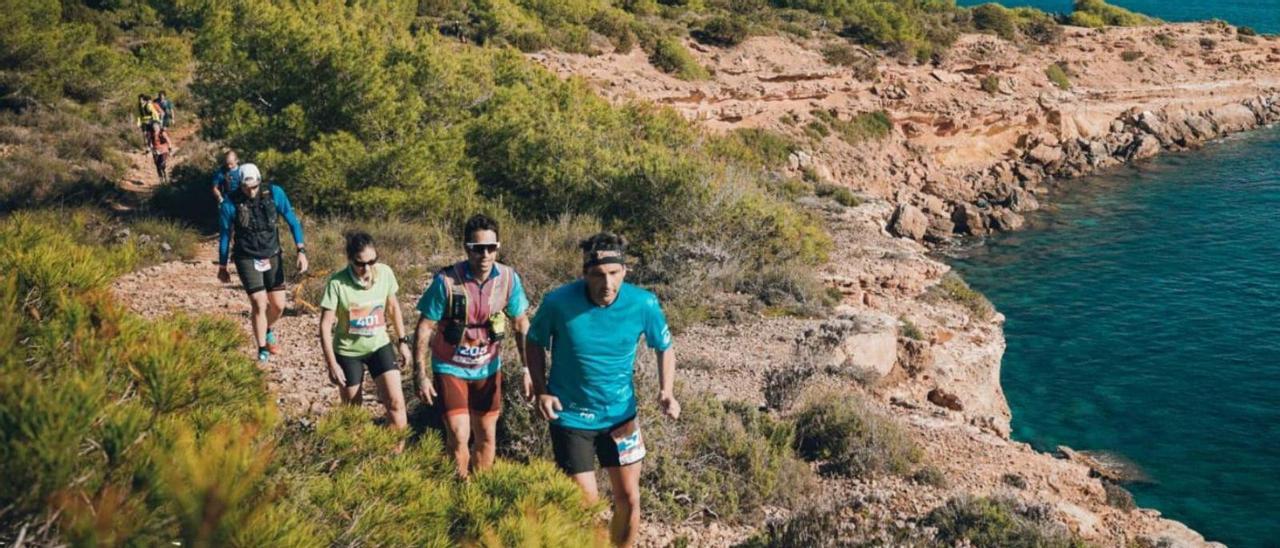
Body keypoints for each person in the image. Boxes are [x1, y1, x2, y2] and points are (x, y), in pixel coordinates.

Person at [526, 232, 679, 548]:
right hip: (571, 418)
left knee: (630, 500)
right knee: (587, 507)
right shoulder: (558, 303)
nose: (606, 283)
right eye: (597, 275)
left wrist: (667, 390)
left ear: (625, 271)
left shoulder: (644, 303)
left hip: (620, 416)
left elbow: (665, 346)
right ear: (584, 274)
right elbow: (534, 341)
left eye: (613, 274)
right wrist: (541, 390)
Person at [413, 214, 532, 479]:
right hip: (450, 366)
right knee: (457, 434)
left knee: (487, 434)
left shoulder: (509, 279)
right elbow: (424, 326)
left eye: (492, 248)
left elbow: (521, 323)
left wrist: (528, 369)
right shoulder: (446, 281)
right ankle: (460, 491)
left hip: (487, 368)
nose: (486, 255)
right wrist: (419, 374)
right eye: (478, 248)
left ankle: (481, 489)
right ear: (467, 247)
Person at [319, 231, 412, 433]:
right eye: (361, 263)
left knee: (396, 404)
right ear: (350, 260)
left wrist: (402, 341)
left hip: (379, 346)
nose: (367, 268)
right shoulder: (337, 283)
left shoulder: (385, 273)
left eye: (372, 261)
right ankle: (353, 457)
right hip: (348, 352)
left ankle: (397, 460)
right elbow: (325, 326)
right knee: (353, 412)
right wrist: (332, 364)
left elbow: (393, 307)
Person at [217, 163, 308, 362]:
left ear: (260, 181)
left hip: (272, 253)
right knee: (259, 303)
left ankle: (266, 328)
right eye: (247, 188)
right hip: (246, 256)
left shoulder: (275, 193)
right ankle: (261, 349)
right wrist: (223, 266)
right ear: (240, 185)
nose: (251, 191)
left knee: (278, 306)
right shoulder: (229, 204)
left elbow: (292, 220)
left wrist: (301, 250)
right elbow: (225, 235)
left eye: (255, 187)